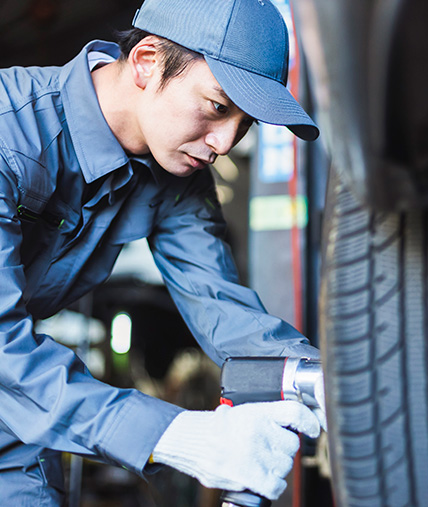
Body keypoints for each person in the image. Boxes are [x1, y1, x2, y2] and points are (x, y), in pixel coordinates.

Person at [0, 0, 325, 504]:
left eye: (244, 125)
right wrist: (173, 435)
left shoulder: (173, 173)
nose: (223, 142)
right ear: (147, 62)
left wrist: (312, 376)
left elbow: (218, 302)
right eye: (218, 106)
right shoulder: (8, 135)